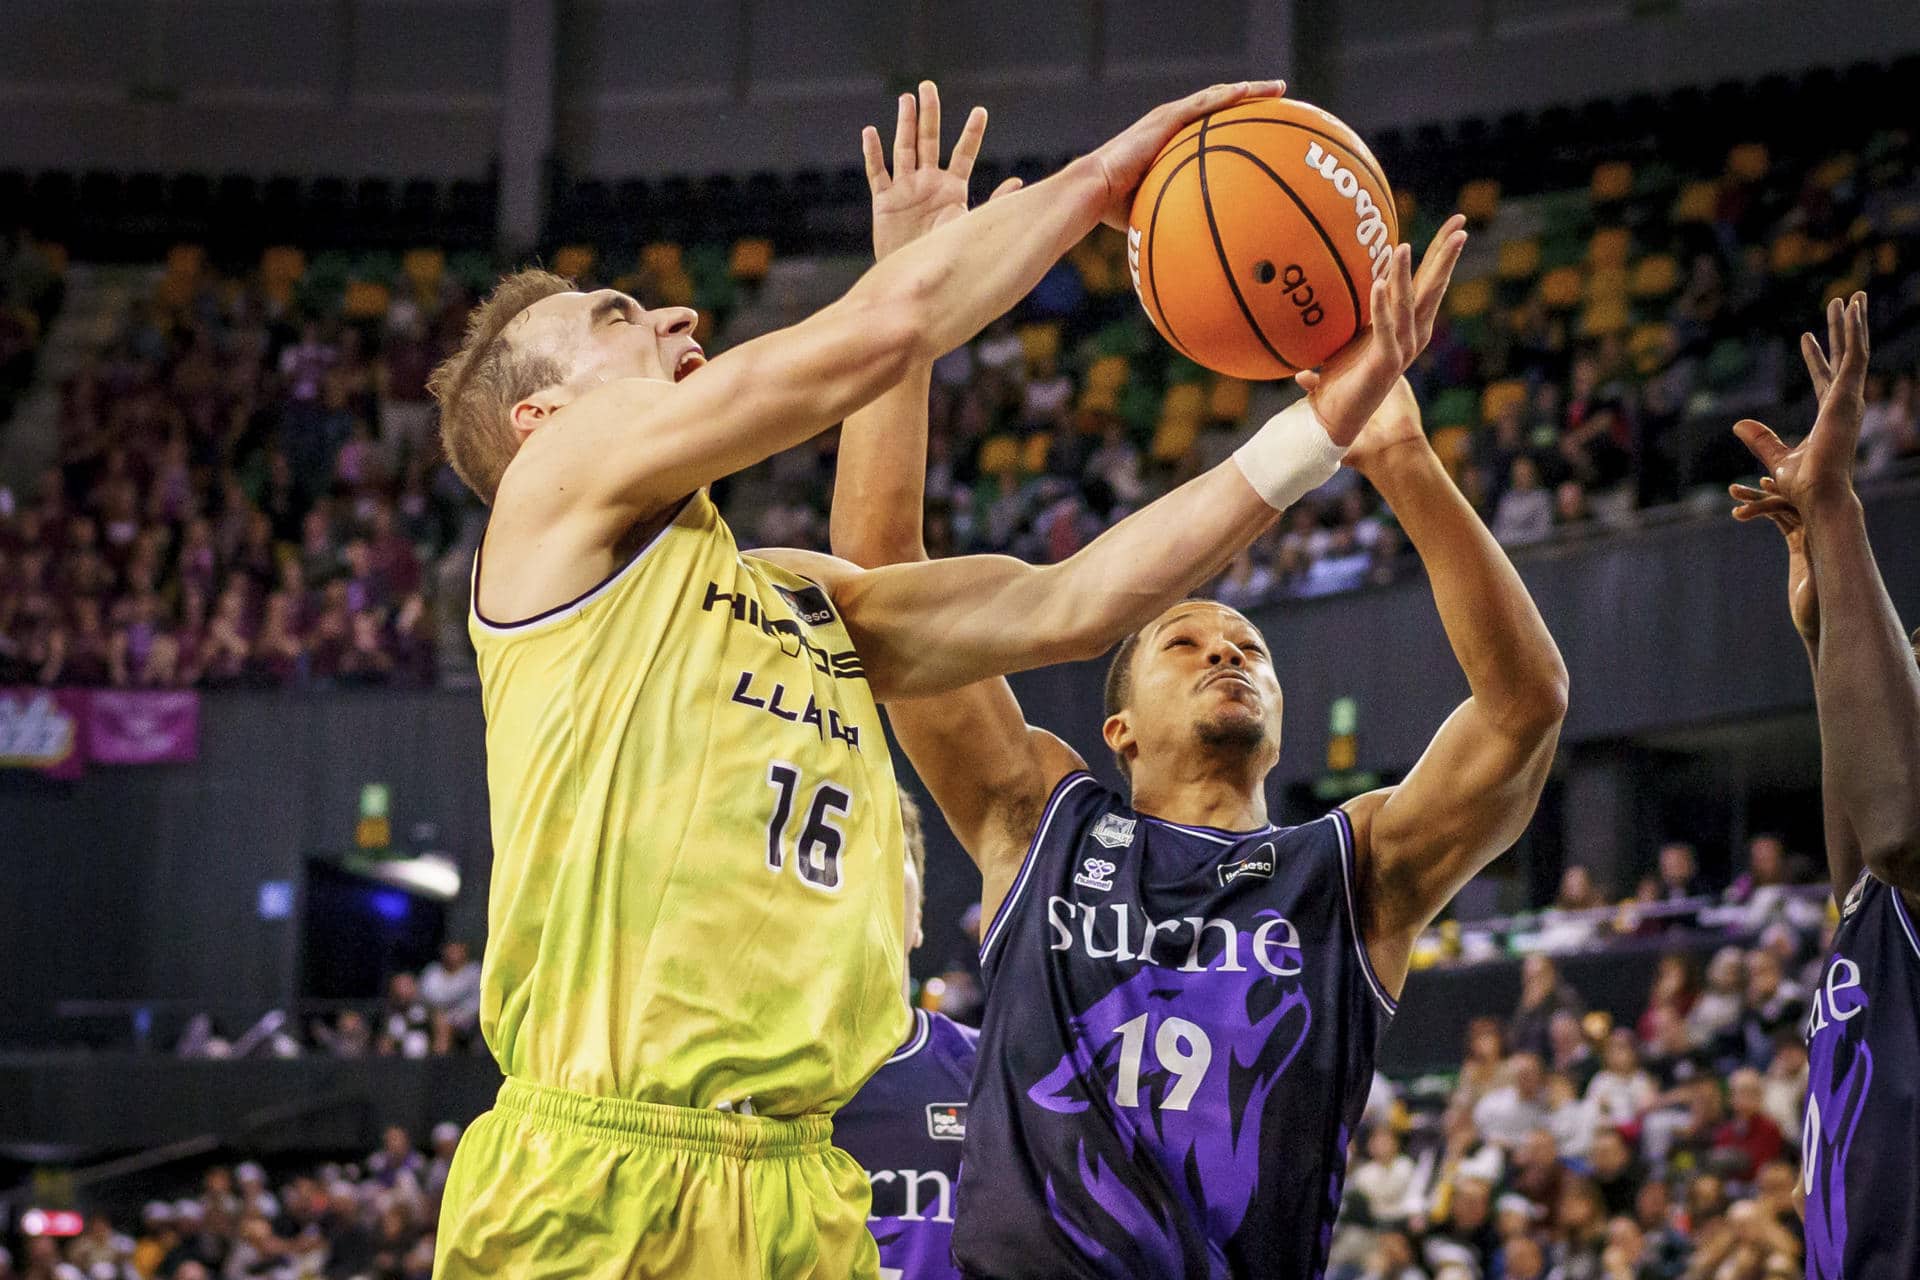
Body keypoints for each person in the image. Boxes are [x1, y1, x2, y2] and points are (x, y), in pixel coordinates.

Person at [428, 77, 1385, 1280]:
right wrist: (1103, 180)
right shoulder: (552, 502)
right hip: (600, 1176)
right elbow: (875, 338)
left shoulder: (800, 594)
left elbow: (1072, 602)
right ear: (541, 414)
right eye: (619, 313)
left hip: (801, 1188)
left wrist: (1318, 433)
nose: (675, 312)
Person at [834, 185, 1560, 1277]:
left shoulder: (1349, 869)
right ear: (1118, 727)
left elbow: (1525, 708)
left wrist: (1406, 461)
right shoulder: (1040, 818)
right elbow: (881, 575)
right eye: (1187, 639)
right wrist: (907, 293)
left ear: (1278, 726)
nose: (1229, 651)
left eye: (1251, 647)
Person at [1728, 291, 1920, 1280]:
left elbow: (1893, 822)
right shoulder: (1881, 909)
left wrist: (1839, 506)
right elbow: (1861, 866)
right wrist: (1819, 635)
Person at [832, 793, 976, 1280]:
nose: (866, 883)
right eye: (840, 860)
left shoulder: (995, 1078)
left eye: (887, 862)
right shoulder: (737, 1090)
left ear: (919, 918)